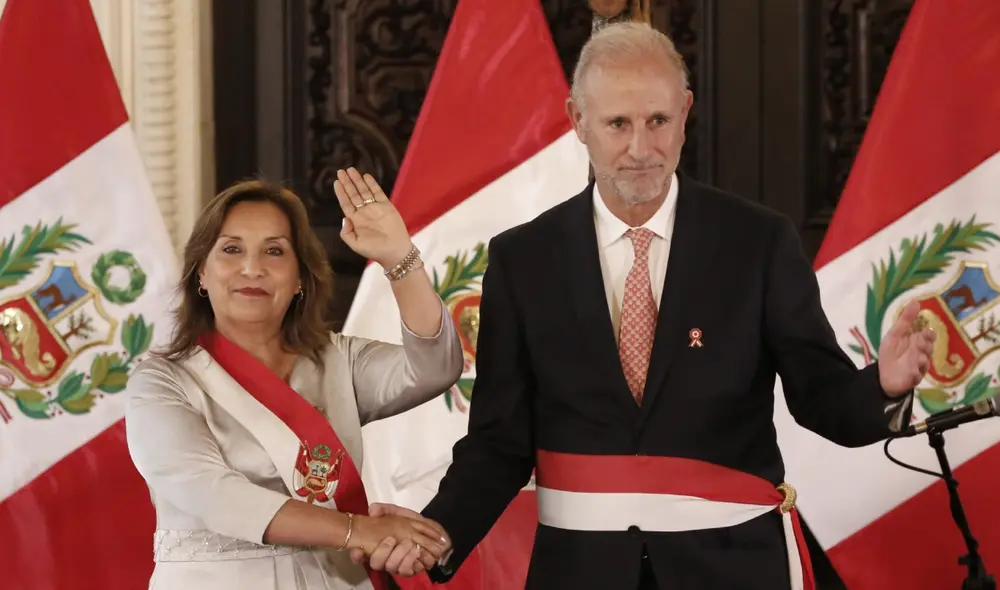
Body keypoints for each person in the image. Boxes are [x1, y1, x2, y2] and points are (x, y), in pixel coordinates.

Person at [350, 21, 936, 590]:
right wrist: (438, 535)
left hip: (732, 568)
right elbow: (499, 443)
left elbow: (822, 399)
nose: (641, 149)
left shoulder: (758, 243)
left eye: (658, 121)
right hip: (580, 573)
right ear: (578, 121)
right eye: (618, 124)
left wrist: (882, 386)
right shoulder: (522, 260)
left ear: (685, 112)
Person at [124, 169, 462, 590]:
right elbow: (211, 491)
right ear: (201, 274)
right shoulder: (162, 381)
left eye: (274, 251)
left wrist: (399, 259)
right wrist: (357, 530)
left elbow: (434, 368)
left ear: (300, 277)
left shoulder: (338, 359)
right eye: (231, 249)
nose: (252, 268)